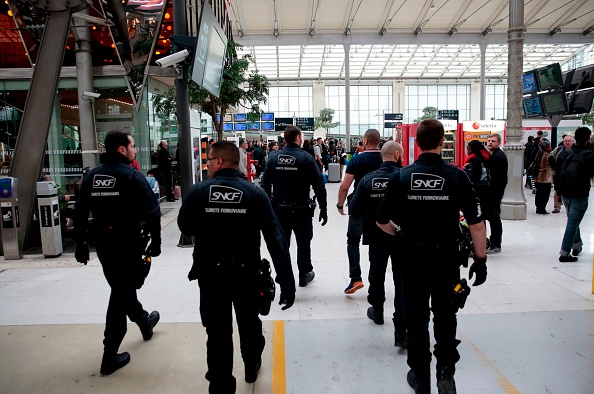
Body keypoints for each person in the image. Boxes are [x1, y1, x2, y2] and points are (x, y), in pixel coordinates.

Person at [376, 119, 487, 394]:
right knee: (446, 314)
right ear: (441, 142)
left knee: (416, 318)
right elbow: (476, 222)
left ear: (416, 143)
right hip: (446, 259)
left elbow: (380, 219)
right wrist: (481, 260)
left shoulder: (401, 177)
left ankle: (419, 374)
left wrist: (399, 232)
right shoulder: (457, 175)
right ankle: (445, 371)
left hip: (411, 258)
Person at [178, 141, 296, 392]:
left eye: (208, 161)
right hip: (247, 274)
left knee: (218, 333)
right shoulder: (254, 193)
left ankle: (221, 386)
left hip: (211, 276)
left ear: (219, 161)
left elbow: (186, 228)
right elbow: (276, 239)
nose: (207, 165)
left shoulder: (198, 192)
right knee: (249, 322)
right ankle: (252, 364)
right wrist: (287, 281)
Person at [75, 130, 162, 375]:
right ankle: (109, 356)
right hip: (128, 243)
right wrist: (156, 242)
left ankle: (144, 321)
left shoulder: (92, 176)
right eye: (132, 146)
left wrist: (81, 243)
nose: (135, 150)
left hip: (104, 244)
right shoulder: (132, 176)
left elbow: (80, 211)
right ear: (122, 149)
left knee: (121, 288)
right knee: (120, 293)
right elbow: (153, 211)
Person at [349, 141, 408, 346]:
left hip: (375, 234)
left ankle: (378, 310)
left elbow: (354, 209)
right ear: (398, 155)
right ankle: (401, 328)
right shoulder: (406, 177)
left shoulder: (368, 180)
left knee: (377, 271)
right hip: (402, 236)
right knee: (401, 279)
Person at [261, 126, 328, 287]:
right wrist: (324, 209)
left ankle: (283, 274)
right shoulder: (306, 158)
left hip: (279, 209)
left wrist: (266, 209)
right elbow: (319, 185)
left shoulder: (274, 157)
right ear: (298, 138)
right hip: (301, 209)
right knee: (303, 243)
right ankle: (304, 273)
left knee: (282, 244)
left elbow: (264, 185)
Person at [337, 129, 383, 294]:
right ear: (379, 141)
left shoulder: (357, 159)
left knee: (353, 240)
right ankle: (375, 280)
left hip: (359, 206)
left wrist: (340, 205)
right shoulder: (387, 157)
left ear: (365, 140)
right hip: (380, 208)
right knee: (376, 244)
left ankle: (355, 278)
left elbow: (345, 186)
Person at [554, 127, 594, 262]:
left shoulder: (565, 154)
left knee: (572, 219)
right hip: (580, 193)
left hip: (565, 192)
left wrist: (558, 192)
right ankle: (565, 252)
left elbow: (557, 174)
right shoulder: (589, 155)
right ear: (588, 139)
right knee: (572, 222)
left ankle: (577, 245)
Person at [485, 133, 508, 254]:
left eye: (493, 141)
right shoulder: (494, 155)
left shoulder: (498, 157)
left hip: (495, 191)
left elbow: (495, 176)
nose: (490, 143)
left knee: (494, 217)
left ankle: (496, 243)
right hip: (494, 191)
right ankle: (494, 242)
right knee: (493, 217)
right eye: (488, 141)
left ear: (499, 143)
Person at [463, 140, 492, 219]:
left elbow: (473, 176)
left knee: (478, 214)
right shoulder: (485, 157)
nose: (467, 151)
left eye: (469, 149)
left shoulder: (476, 159)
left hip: (478, 189)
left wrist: (465, 169)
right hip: (485, 188)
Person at [549, 135, 574, 213]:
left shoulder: (575, 151)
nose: (567, 143)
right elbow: (551, 156)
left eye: (569, 141)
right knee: (557, 190)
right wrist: (554, 166)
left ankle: (571, 205)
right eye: (565, 141)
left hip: (571, 175)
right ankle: (557, 206)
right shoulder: (559, 149)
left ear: (573, 142)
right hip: (559, 173)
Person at [533, 140, 554, 214]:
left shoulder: (538, 155)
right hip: (546, 178)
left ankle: (538, 208)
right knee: (545, 194)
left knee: (539, 193)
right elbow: (554, 166)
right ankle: (542, 208)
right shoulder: (548, 156)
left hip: (537, 177)